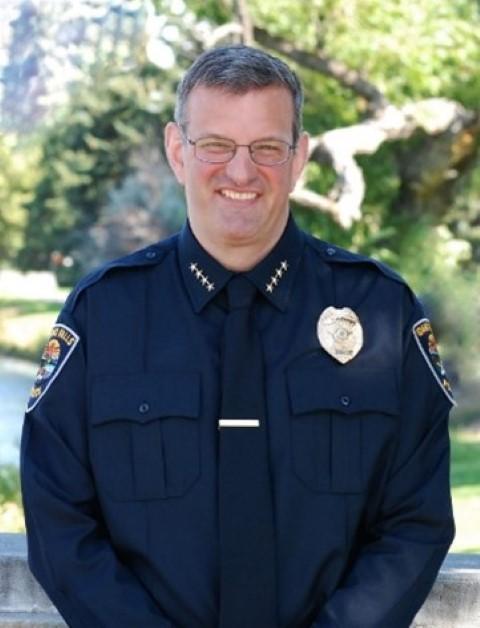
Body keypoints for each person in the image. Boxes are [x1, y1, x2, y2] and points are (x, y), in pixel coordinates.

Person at [21, 45, 455, 628]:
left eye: (268, 148)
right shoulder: (103, 316)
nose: (241, 171)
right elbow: (60, 524)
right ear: (178, 150)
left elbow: (414, 522)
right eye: (216, 145)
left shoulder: (381, 310)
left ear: (299, 157)